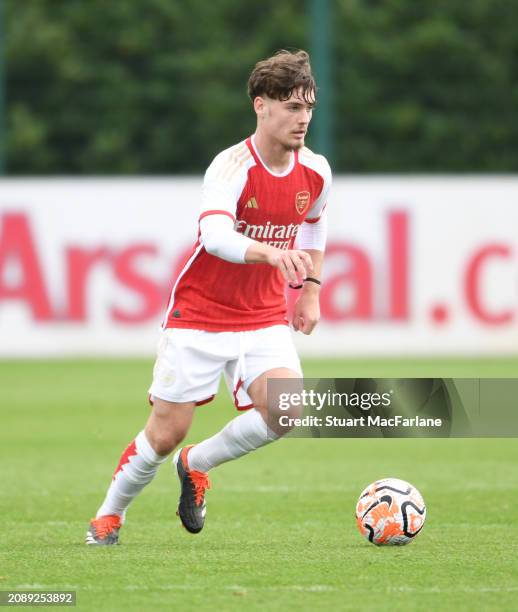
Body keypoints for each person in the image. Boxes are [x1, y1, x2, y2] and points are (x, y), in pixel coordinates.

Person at [86, 49, 332, 545]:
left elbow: (314, 225)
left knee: (287, 412)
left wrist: (310, 292)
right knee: (164, 434)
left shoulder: (317, 171)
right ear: (261, 106)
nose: (302, 118)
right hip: (199, 314)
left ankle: (196, 465)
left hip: (262, 317)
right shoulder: (231, 166)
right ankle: (108, 515)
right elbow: (216, 236)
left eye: (307, 106)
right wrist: (269, 254)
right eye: (290, 106)